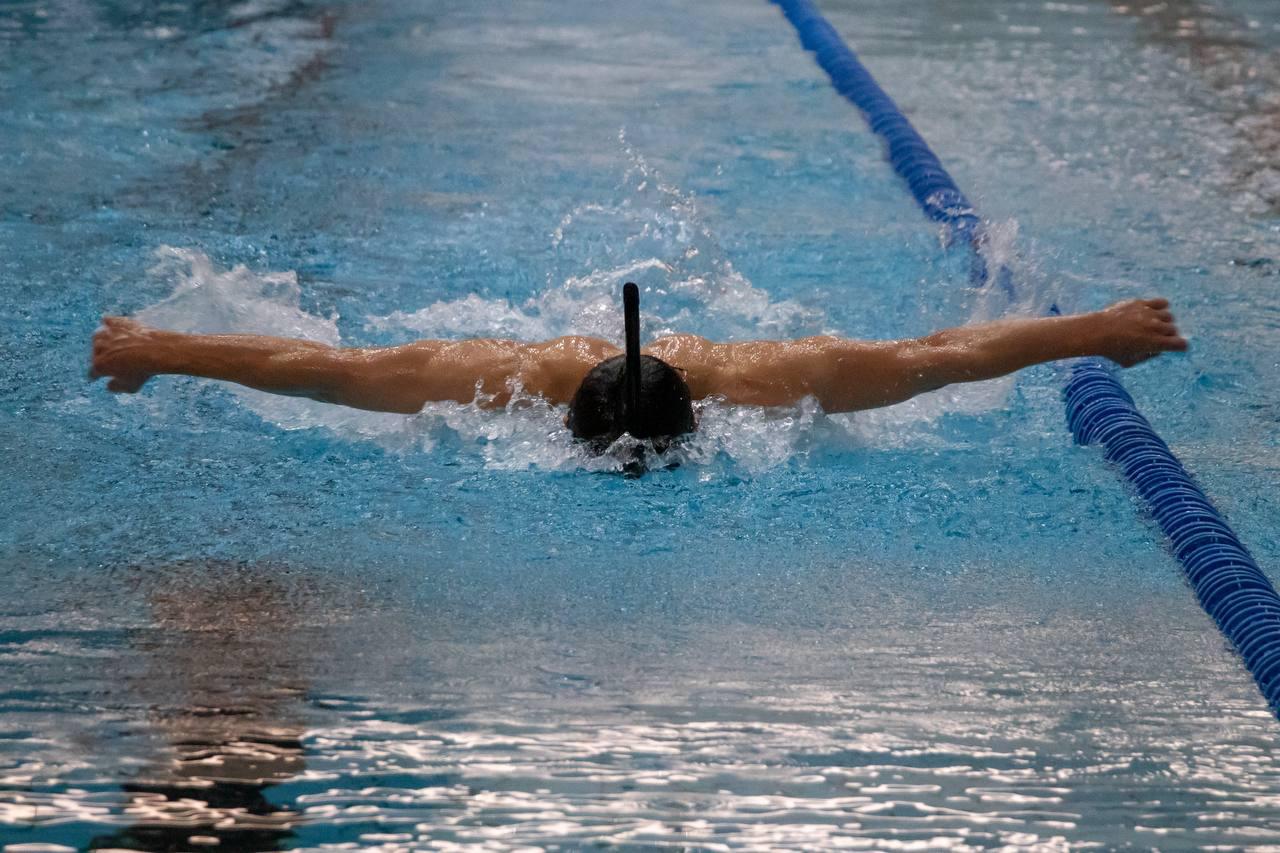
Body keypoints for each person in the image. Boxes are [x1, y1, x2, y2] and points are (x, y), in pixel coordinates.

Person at [90, 286, 1185, 453]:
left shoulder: (767, 380)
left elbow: (940, 357)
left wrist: (1096, 328)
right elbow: (329, 371)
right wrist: (161, 350)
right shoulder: (503, 376)